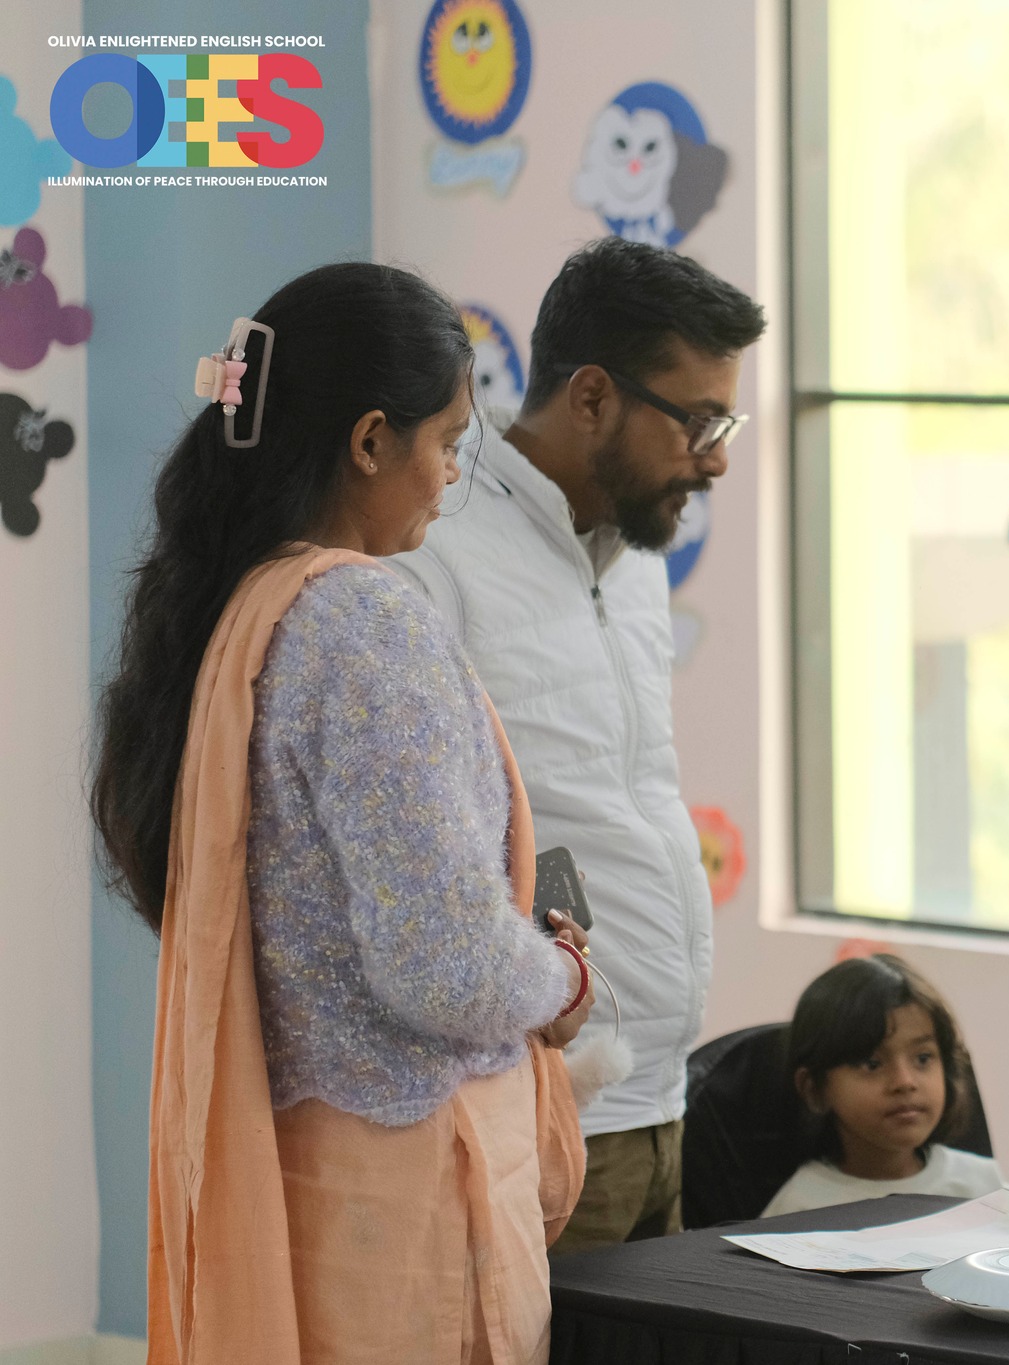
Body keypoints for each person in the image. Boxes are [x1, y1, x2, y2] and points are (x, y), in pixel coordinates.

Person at [90, 263, 591, 1363]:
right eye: (446, 445)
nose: (448, 476)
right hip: (410, 1208)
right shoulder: (360, 621)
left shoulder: (238, 603)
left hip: (306, 1182)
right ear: (370, 441)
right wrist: (562, 977)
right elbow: (444, 965)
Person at [391, 238, 766, 1255]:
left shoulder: (634, 554)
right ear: (593, 397)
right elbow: (427, 854)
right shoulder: (437, 548)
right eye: (699, 422)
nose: (717, 458)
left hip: (662, 1105)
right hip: (543, 1111)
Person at [762, 955, 1006, 1217]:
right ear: (815, 1090)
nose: (905, 1082)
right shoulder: (800, 1208)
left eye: (923, 1058)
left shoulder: (983, 1186)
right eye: (872, 1064)